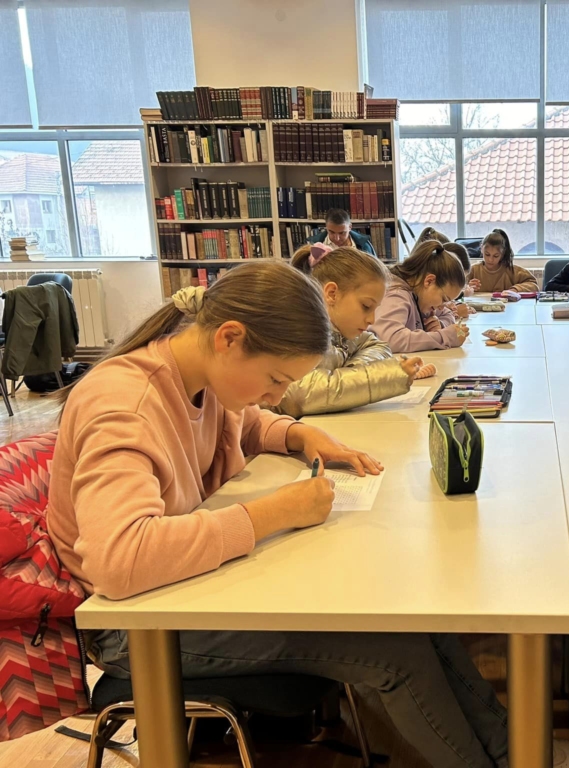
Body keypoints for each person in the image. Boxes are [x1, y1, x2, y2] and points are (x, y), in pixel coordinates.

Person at [45, 261, 512, 768]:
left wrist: (298, 433)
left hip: (182, 590)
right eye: (274, 379)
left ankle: (514, 753)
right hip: (136, 627)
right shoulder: (124, 404)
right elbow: (120, 559)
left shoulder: (200, 370)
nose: (276, 397)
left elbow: (246, 420)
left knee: (413, 616)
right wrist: (274, 512)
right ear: (229, 338)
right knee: (392, 653)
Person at [274, 243, 422, 417]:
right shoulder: (298, 334)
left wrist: (351, 371)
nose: (372, 319)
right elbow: (299, 394)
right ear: (332, 294)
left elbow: (377, 345)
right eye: (366, 306)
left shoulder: (342, 330)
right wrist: (391, 375)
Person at [370, 239, 471, 352]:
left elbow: (448, 314)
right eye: (444, 299)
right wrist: (444, 337)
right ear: (429, 281)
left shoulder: (422, 295)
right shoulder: (396, 294)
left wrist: (440, 324)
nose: (442, 307)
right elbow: (390, 339)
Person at [467, 229, 539, 298]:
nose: (490, 259)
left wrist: (515, 289)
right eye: (487, 254)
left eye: (496, 256)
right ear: (481, 249)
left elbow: (533, 285)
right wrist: (467, 288)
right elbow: (460, 288)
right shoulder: (473, 270)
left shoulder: (512, 271)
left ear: (502, 254)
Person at [307, 208, 377, 256]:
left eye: (342, 233)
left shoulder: (365, 245)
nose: (337, 238)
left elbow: (374, 271)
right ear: (326, 227)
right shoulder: (314, 245)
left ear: (350, 227)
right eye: (332, 232)